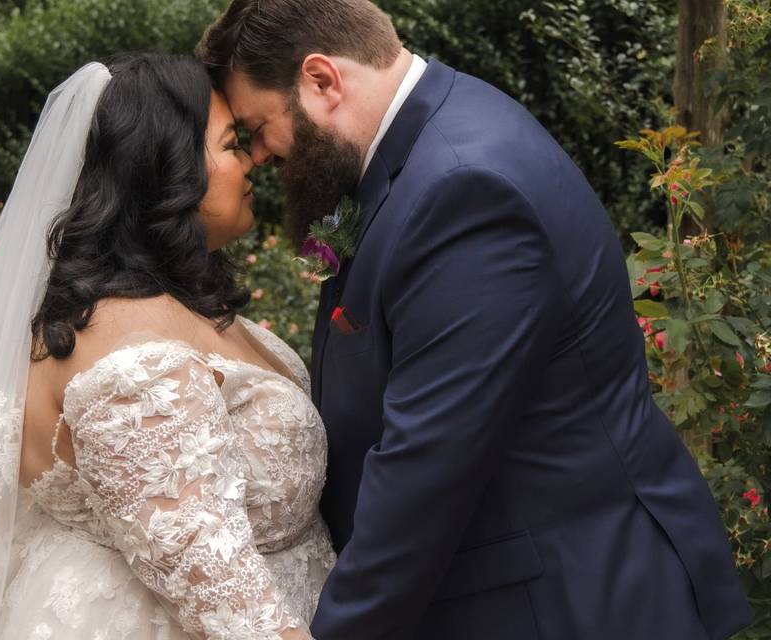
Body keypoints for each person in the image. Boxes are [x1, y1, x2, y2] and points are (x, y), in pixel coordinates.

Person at [197, 1, 753, 638]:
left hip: (569, 601)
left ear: (322, 81)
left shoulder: (462, 191)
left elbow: (426, 469)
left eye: (258, 127)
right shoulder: (417, 148)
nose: (262, 155)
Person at [0, 53, 333, 640]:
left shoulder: (151, 308)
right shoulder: (138, 366)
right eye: (234, 144)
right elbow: (229, 602)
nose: (252, 163)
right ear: (169, 169)